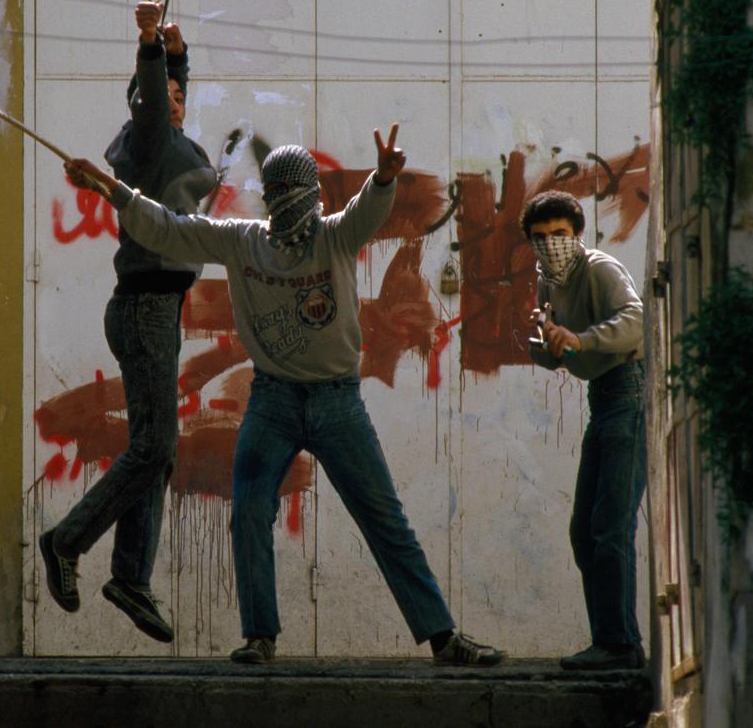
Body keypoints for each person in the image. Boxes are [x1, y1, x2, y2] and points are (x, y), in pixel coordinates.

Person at [64, 125, 505, 667]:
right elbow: (170, 229)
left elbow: (368, 210)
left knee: (384, 519)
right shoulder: (243, 241)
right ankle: (260, 638)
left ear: (315, 198)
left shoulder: (334, 235)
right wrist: (112, 189)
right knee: (250, 512)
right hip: (272, 401)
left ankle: (443, 637)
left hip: (337, 403)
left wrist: (384, 178)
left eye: (301, 196)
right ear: (270, 199)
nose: (294, 208)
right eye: (282, 195)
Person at [39, 0, 216, 644]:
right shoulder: (148, 143)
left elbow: (167, 92)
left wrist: (177, 53)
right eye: (165, 95)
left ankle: (131, 578)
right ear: (145, 103)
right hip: (145, 307)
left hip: (158, 310)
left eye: (181, 94)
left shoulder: (167, 141)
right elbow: (152, 102)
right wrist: (148, 45)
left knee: (155, 451)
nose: (176, 100)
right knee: (154, 447)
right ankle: (66, 541)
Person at [523, 190, 647, 671]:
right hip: (604, 398)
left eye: (560, 234)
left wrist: (579, 339)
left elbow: (635, 322)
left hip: (629, 392)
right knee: (585, 531)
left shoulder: (600, 269)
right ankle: (609, 643)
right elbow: (556, 355)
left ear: (577, 234)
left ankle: (620, 647)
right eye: (540, 237)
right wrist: (547, 342)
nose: (551, 244)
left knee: (611, 524)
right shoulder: (547, 284)